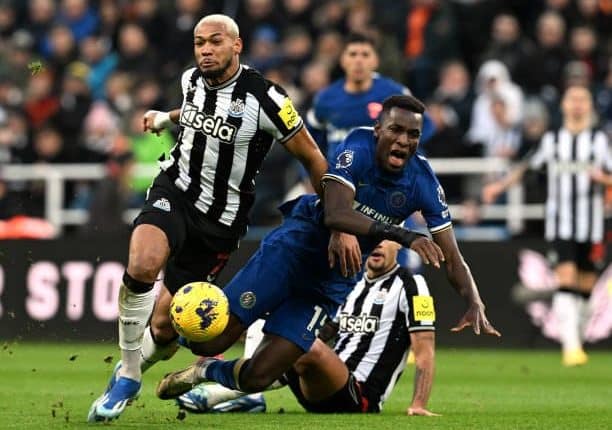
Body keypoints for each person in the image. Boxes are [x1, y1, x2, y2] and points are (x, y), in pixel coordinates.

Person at [155, 95, 500, 404]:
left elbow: (453, 258)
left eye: (413, 135)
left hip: (331, 280)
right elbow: (335, 213)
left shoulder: (423, 181)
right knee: (210, 342)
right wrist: (405, 235)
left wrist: (474, 300)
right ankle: (161, 335)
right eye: (396, 130)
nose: (403, 141)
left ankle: (201, 373)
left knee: (257, 377)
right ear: (378, 129)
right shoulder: (358, 145)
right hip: (293, 250)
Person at [88, 14, 335, 422]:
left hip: (220, 222)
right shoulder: (191, 79)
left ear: (237, 45)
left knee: (166, 327)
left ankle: (135, 364)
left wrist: (335, 219)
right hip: (175, 190)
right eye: (199, 42)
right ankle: (128, 376)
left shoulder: (267, 99)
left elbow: (311, 155)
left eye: (215, 41)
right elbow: (193, 112)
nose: (205, 50)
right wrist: (164, 118)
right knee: (143, 263)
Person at [176, 240, 439, 415]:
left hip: (359, 397)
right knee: (273, 319)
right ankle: (246, 393)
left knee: (299, 340)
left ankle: (225, 384)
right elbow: (325, 330)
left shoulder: (412, 285)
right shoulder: (353, 282)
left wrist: (418, 404)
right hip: (318, 387)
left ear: (398, 242)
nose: (379, 243)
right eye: (375, 237)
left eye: (387, 237)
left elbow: (425, 349)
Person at [482, 84, 611, 366]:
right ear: (564, 105)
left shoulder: (600, 141)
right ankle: (571, 348)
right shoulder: (552, 140)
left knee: (587, 289)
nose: (577, 104)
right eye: (572, 99)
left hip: (592, 226)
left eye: (582, 99)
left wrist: (602, 179)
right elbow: (526, 167)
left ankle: (576, 338)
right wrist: (498, 187)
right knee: (565, 279)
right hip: (561, 223)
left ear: (590, 105)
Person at [306, 32, 434, 166]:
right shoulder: (325, 98)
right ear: (342, 60)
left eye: (365, 55)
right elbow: (310, 140)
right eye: (353, 54)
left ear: (376, 61)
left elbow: (426, 126)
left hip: (384, 176)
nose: (358, 61)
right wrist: (309, 171)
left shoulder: (395, 94)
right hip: (341, 175)